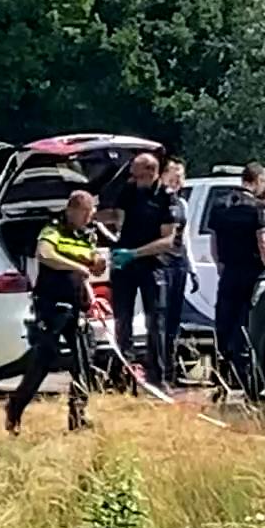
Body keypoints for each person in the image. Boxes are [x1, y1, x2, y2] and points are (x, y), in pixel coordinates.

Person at [5, 190, 104, 434]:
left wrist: (97, 265)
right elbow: (45, 254)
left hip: (76, 303)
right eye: (84, 215)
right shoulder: (53, 228)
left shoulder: (87, 235)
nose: (87, 220)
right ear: (73, 210)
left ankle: (77, 417)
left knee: (83, 360)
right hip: (52, 304)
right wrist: (78, 266)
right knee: (44, 359)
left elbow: (92, 269)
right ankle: (15, 407)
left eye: (90, 216)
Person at [96, 152, 182, 389]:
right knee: (122, 320)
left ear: (152, 173)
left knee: (156, 322)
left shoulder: (166, 198)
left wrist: (135, 253)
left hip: (153, 265)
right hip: (126, 267)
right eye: (132, 174)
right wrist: (92, 215)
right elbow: (117, 216)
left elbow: (168, 240)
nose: (133, 179)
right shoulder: (129, 191)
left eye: (138, 175)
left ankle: (159, 377)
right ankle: (124, 374)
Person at [207, 167, 265, 395]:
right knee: (246, 324)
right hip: (252, 272)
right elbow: (263, 243)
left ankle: (220, 377)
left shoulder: (219, 205)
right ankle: (247, 380)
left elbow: (214, 242)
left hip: (229, 272)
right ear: (257, 181)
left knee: (224, 324)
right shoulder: (256, 209)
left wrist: (220, 265)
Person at [160, 156, 192, 383]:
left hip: (179, 263)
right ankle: (159, 368)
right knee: (160, 317)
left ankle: (171, 370)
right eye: (174, 175)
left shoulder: (183, 204)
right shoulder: (158, 202)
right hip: (161, 264)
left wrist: (191, 267)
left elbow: (186, 237)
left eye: (181, 176)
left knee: (174, 319)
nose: (178, 180)